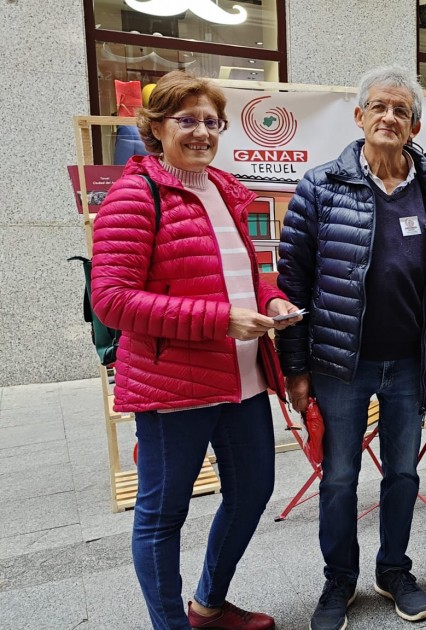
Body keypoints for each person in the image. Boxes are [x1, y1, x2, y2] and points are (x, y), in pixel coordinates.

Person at [91, 70, 301, 630]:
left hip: (244, 380)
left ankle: (208, 605)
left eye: (211, 121)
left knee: (253, 491)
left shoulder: (224, 190)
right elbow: (110, 301)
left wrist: (273, 300)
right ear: (156, 127)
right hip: (173, 388)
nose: (202, 132)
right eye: (187, 120)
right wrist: (219, 321)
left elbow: (246, 277)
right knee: (163, 517)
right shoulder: (134, 195)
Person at [276, 66, 426, 628]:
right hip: (341, 363)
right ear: (359, 117)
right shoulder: (320, 187)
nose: (390, 117)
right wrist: (296, 367)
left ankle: (394, 570)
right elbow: (292, 284)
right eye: (379, 107)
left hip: (411, 363)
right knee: (338, 476)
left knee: (403, 474)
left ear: (415, 125)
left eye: (401, 111)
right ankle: (338, 581)